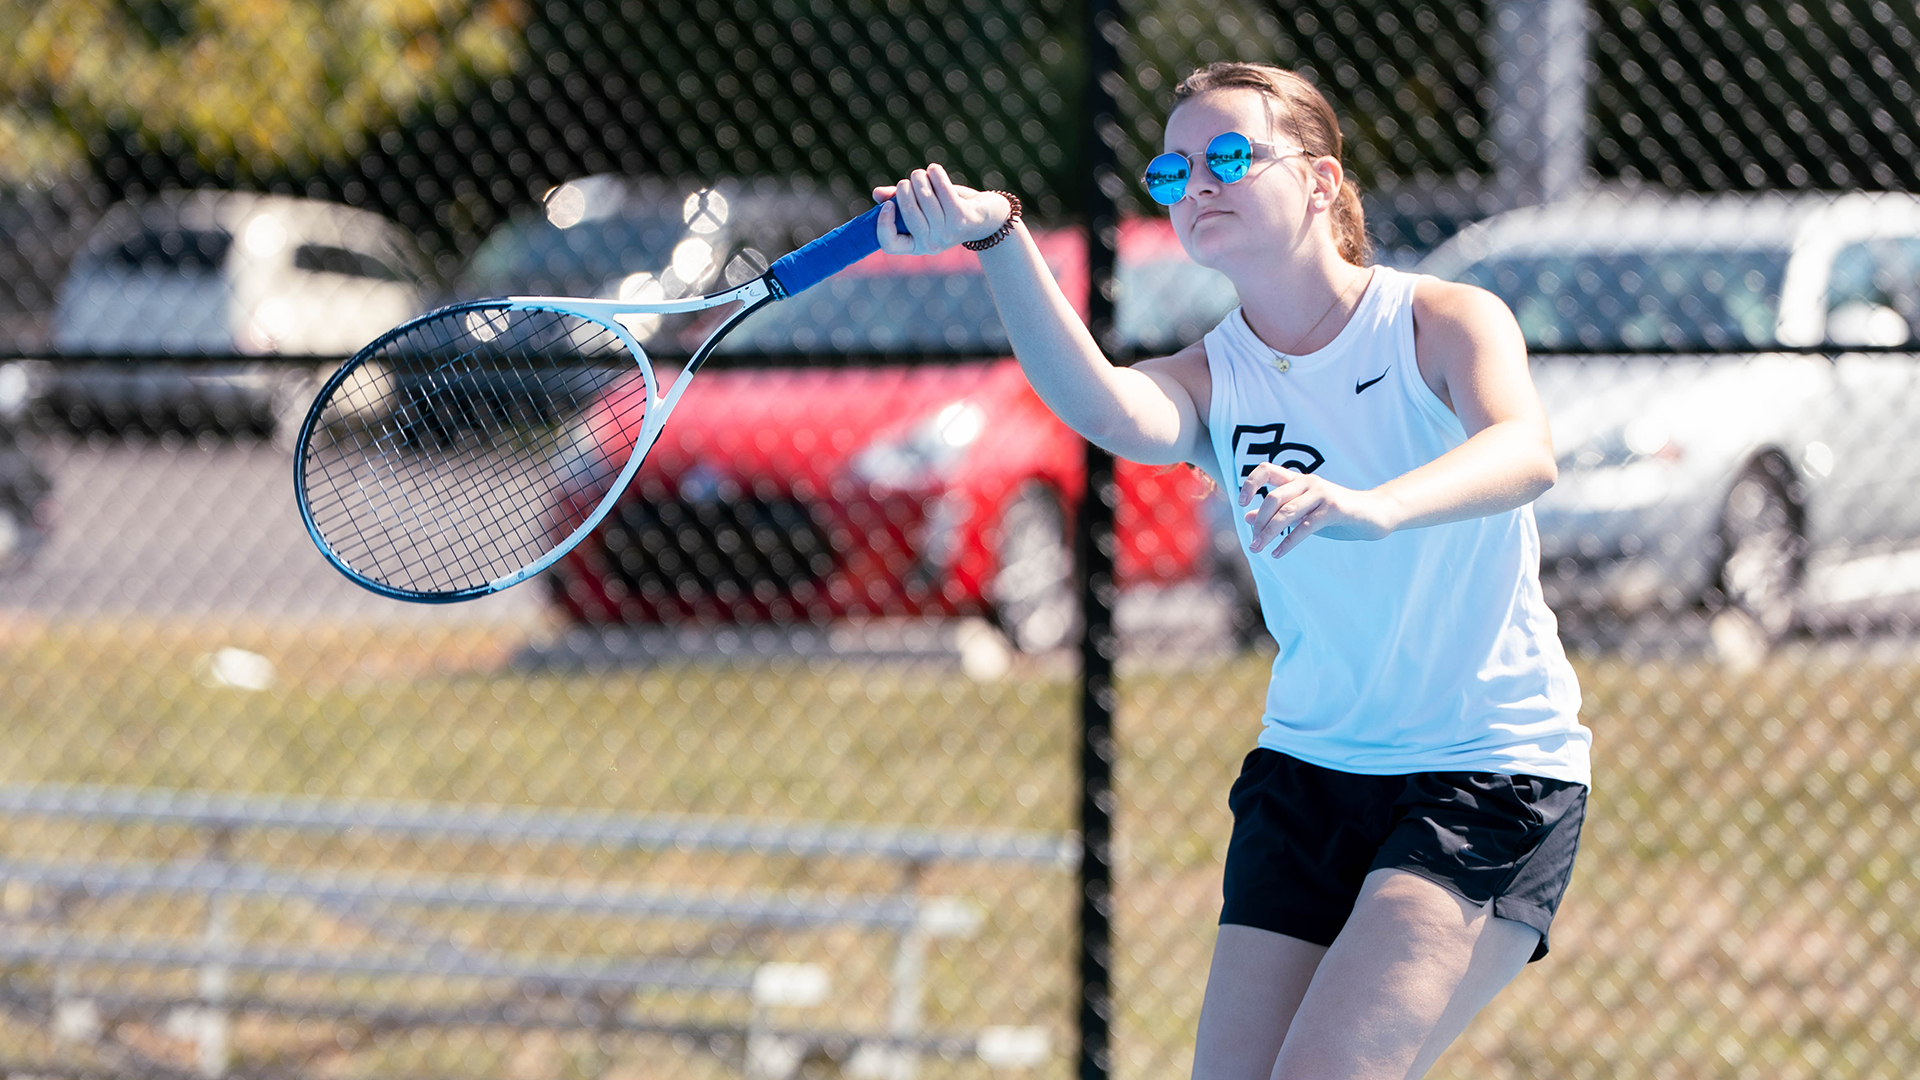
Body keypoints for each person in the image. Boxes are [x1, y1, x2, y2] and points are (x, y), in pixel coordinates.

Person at [872, 61, 1592, 1080]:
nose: (1198, 184)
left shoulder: (1441, 321)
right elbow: (1106, 405)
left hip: (1482, 775)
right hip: (1305, 776)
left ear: (1321, 179)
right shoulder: (1215, 375)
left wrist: (1377, 506)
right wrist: (998, 237)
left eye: (1228, 156)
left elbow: (1524, 451)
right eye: (1174, 172)